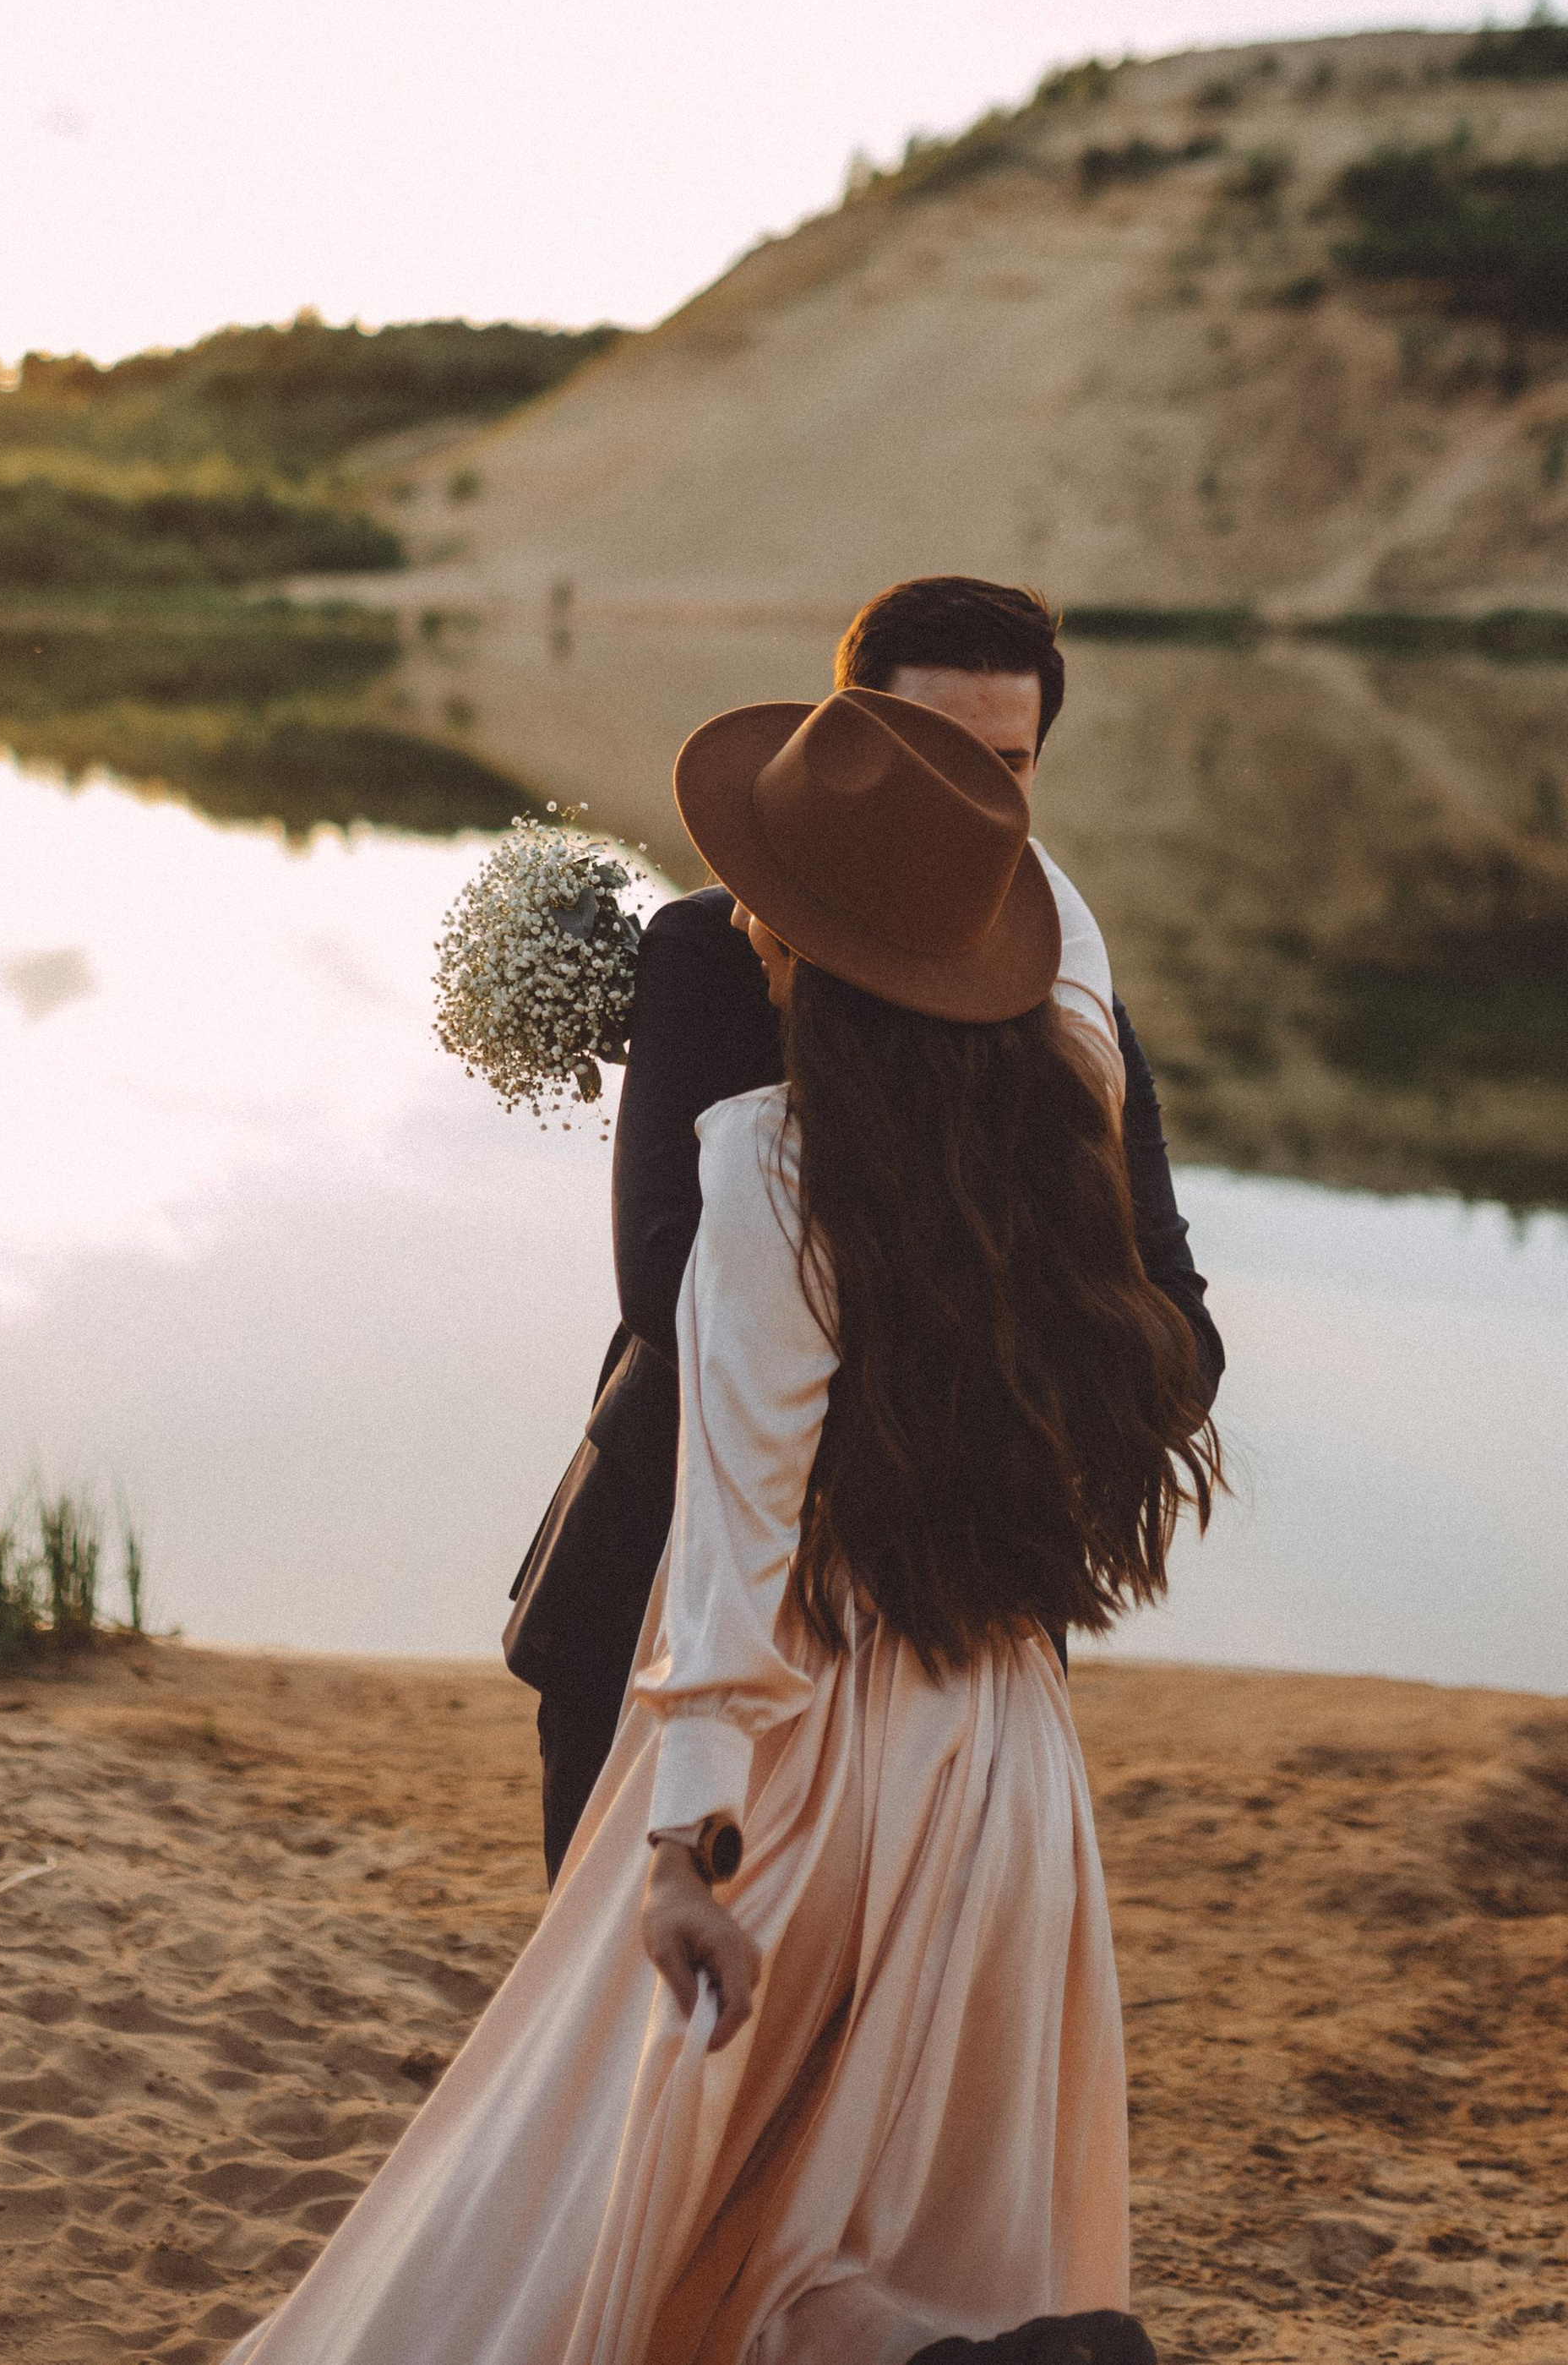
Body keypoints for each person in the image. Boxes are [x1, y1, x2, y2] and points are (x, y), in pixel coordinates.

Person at [228, 689, 1217, 2365]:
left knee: (654, 2205)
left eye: (766, 893)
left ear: (806, 942)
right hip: (998, 1766)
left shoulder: (767, 1170)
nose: (738, 914)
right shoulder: (1055, 1122)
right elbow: (1061, 961)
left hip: (800, 1748)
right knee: (907, 2208)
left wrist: (685, 1846)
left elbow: (733, 1519)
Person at [507, 578, 1222, 1882]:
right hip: (665, 1563)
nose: (974, 803)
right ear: (850, 732)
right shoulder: (711, 955)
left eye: (1006, 766)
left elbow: (1179, 1324)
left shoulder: (1068, 1003)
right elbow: (665, 1275)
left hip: (948, 1615)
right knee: (621, 2028)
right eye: (933, 756)